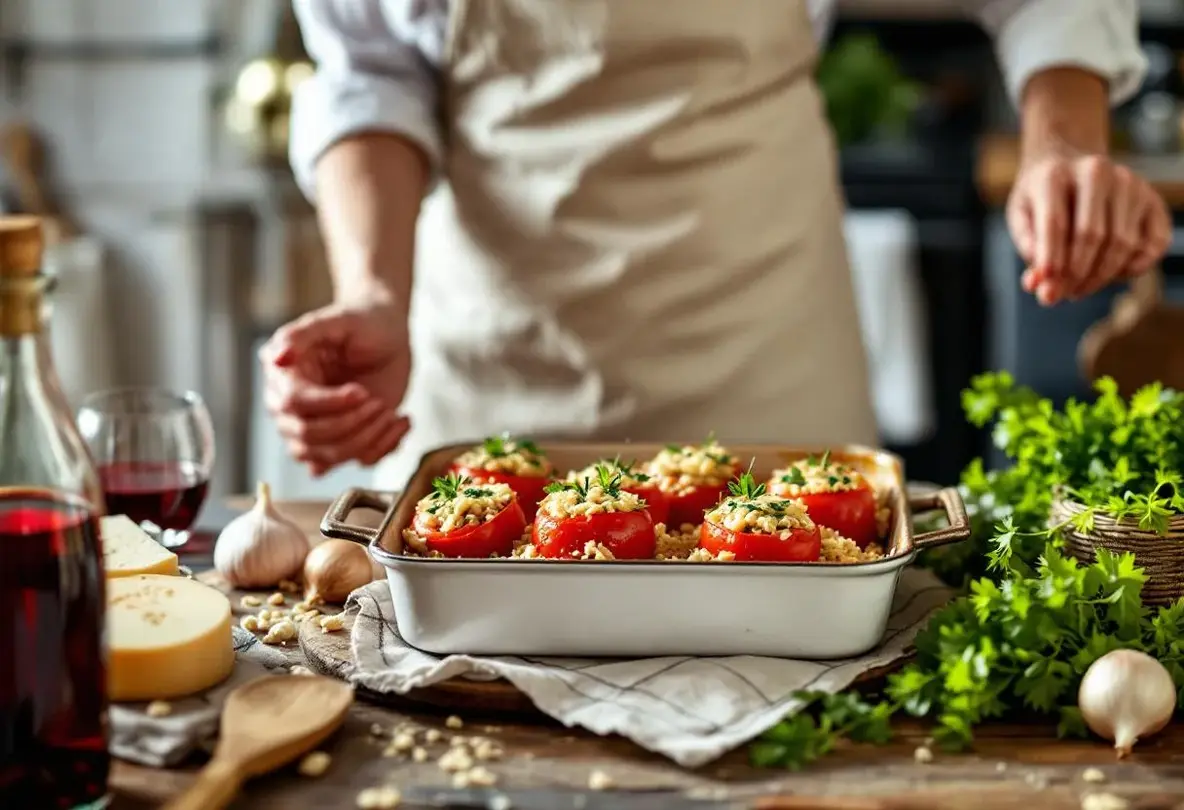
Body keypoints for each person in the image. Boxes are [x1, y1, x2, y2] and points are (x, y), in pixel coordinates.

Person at [262, 0, 1171, 485]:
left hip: (764, 347)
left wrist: (1062, 149)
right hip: (494, 367)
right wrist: (376, 293)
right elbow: (371, 76)